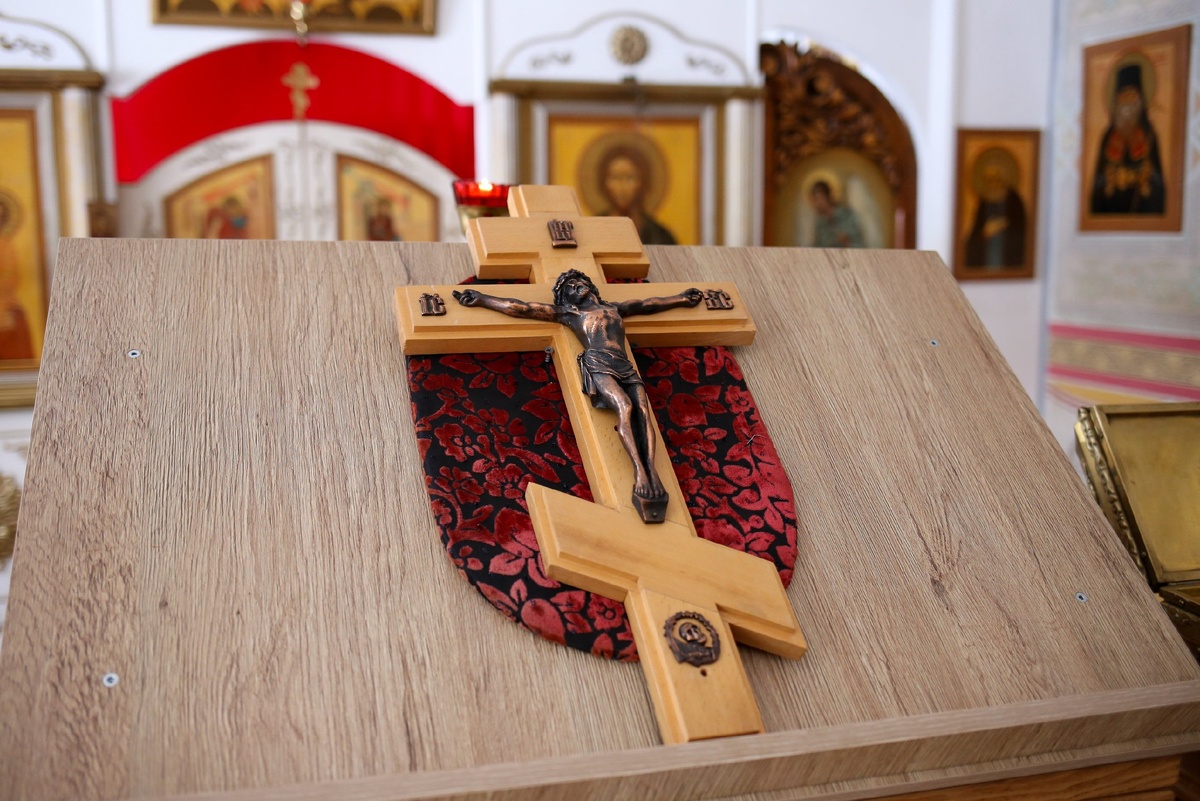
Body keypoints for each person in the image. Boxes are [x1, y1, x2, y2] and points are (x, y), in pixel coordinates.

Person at [452, 270, 703, 521]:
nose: (575, 286)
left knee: (644, 412)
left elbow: (648, 304)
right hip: (598, 362)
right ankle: (640, 472)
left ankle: (652, 472)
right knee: (624, 407)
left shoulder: (614, 308)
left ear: (588, 284)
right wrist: (483, 299)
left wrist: (681, 299)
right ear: (566, 298)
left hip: (624, 364)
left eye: (577, 282)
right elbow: (521, 308)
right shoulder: (570, 314)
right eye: (568, 287)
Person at [1090, 61, 1165, 215]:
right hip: (1111, 212)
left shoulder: (1149, 134)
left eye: (1131, 96)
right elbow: (1097, 183)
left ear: (1140, 100)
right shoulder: (1108, 136)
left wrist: (1145, 179)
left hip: (1141, 211)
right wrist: (1108, 181)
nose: (1127, 103)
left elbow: (1159, 184)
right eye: (1123, 96)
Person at [596, 145, 678, 245]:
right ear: (604, 183)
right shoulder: (593, 230)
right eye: (615, 177)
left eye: (629, 178)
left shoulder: (660, 236)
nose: (622, 186)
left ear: (642, 183)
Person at [965, 153, 1027, 269]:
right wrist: (985, 232)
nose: (993, 184)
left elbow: (1022, 231)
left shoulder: (1014, 200)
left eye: (996, 179)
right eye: (989, 180)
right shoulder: (984, 203)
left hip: (1008, 256)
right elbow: (974, 236)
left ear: (1002, 179)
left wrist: (1003, 225)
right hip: (986, 257)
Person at [808, 180, 865, 248]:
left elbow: (859, 243)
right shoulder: (820, 222)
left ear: (827, 197)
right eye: (814, 200)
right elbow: (817, 246)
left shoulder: (847, 215)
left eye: (819, 199)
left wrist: (847, 242)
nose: (817, 203)